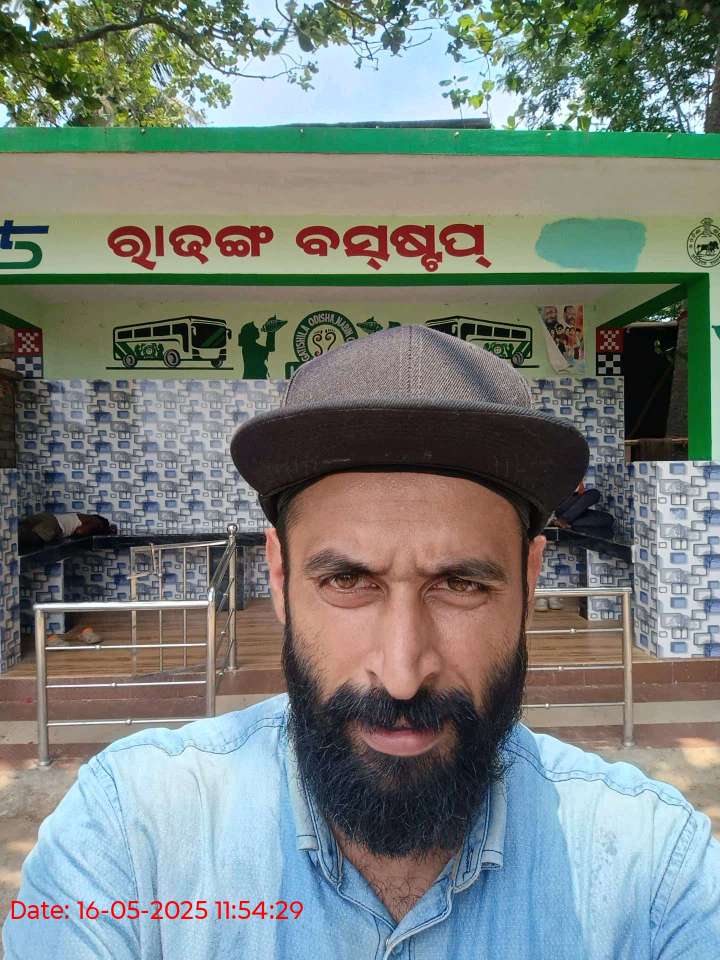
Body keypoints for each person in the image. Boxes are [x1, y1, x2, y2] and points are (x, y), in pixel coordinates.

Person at [4, 326, 718, 959]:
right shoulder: (131, 835)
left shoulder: (655, 868)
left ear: (530, 582)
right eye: (348, 580)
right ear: (279, 578)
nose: (402, 673)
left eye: (461, 584)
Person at [18, 512, 117, 552]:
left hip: (47, 516)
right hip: (55, 524)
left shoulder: (84, 516)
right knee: (33, 539)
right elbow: (80, 531)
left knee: (19, 529)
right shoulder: (97, 523)